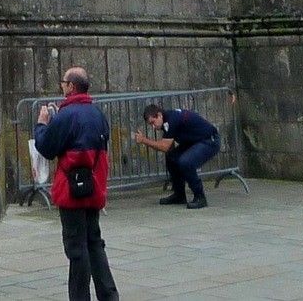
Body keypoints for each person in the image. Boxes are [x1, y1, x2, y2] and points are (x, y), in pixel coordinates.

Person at [33, 67, 116, 301]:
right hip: (94, 185)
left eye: (63, 83)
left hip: (72, 189)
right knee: (94, 242)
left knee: (76, 247)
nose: (62, 86)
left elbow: (47, 147)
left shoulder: (67, 115)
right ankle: (109, 295)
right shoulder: (97, 114)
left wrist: (42, 124)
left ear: (71, 86)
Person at [133, 101, 220, 209]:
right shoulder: (166, 120)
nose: (153, 127)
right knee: (172, 157)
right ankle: (179, 195)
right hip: (194, 141)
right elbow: (168, 147)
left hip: (209, 141)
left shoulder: (171, 120)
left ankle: (200, 196)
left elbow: (164, 146)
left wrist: (144, 140)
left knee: (186, 162)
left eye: (153, 122)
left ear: (159, 115)